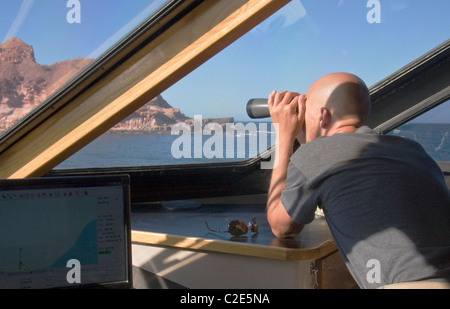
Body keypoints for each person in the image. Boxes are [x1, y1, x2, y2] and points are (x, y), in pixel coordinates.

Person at [266, 72, 450, 289]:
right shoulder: (412, 149)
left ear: (324, 115)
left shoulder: (316, 155)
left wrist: (283, 134)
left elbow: (282, 226)